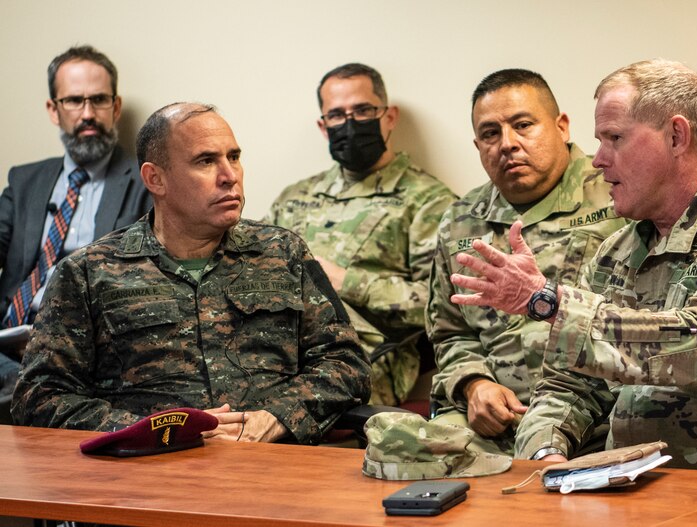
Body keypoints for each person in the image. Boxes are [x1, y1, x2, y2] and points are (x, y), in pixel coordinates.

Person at [450, 59, 697, 476]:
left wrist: (550, 303)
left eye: (614, 138)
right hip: (629, 490)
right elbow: (569, 383)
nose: (597, 160)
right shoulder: (617, 251)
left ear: (677, 136)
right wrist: (547, 453)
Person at [12, 103, 371, 445]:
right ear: (155, 178)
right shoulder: (89, 273)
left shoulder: (283, 253)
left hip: (271, 465)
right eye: (205, 161)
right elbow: (40, 396)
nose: (230, 176)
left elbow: (347, 365)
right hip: (144, 477)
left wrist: (276, 418)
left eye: (234, 157)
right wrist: (159, 431)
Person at [426, 69, 627, 455]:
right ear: (477, 145)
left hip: (599, 415)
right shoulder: (460, 220)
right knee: (399, 456)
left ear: (562, 127)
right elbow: (450, 332)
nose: (508, 144)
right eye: (490, 134)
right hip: (494, 422)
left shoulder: (617, 196)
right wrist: (473, 384)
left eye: (523, 125)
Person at [267, 63, 456, 406]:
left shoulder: (427, 201)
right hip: (276, 347)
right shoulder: (293, 199)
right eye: (337, 115)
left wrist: (346, 282)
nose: (350, 123)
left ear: (389, 116)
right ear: (323, 127)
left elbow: (445, 304)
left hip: (363, 356)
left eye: (363, 110)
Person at [0, 45, 151, 420]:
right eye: (74, 101)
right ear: (54, 109)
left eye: (98, 100)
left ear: (115, 108)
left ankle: (28, 392)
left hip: (80, 343)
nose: (87, 114)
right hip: (8, 337)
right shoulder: (25, 180)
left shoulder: (145, 180)